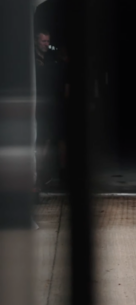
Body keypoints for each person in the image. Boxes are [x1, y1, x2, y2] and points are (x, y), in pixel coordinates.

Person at [33, 29, 68, 189]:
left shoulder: (52, 59)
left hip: (53, 103)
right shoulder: (32, 60)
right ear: (36, 41)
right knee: (43, 140)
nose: (46, 44)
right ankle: (39, 172)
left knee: (59, 139)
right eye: (43, 41)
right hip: (39, 104)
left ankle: (60, 173)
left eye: (48, 41)